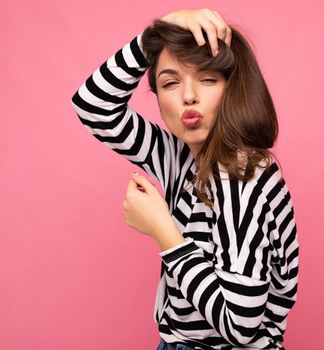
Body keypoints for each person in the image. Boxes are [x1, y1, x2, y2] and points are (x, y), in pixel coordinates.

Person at [70, 8, 299, 350]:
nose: (188, 96)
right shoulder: (179, 156)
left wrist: (164, 233)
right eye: (170, 82)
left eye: (207, 79)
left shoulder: (245, 176)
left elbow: (240, 326)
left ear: (233, 88)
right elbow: (93, 105)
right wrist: (159, 33)